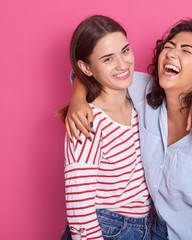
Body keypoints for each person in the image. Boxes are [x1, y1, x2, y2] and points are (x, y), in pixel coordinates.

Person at [67, 18, 192, 240]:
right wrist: (77, 98)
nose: (170, 53)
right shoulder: (146, 93)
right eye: (168, 47)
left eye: (186, 50)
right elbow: (98, 73)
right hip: (155, 233)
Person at [59, 15, 152, 240]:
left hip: (143, 226)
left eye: (125, 50)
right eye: (108, 59)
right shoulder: (88, 121)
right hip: (108, 229)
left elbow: (182, 86)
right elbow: (79, 208)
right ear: (86, 68)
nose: (123, 64)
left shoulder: (141, 102)